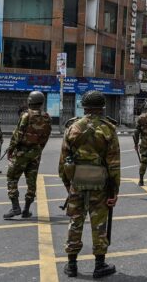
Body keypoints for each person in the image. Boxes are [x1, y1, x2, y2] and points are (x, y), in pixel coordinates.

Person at [59, 90, 121, 278]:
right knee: (99, 223)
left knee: (75, 222)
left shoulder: (72, 127)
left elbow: (63, 162)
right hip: (100, 184)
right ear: (102, 107)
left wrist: (68, 184)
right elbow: (114, 165)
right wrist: (114, 191)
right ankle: (99, 265)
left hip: (77, 182)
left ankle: (71, 265)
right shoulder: (108, 129)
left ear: (84, 106)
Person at [4, 91, 52, 219]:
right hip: (36, 153)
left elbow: (17, 135)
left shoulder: (26, 115)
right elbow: (46, 136)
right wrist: (39, 149)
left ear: (30, 101)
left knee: (12, 178)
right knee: (31, 181)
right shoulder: (47, 117)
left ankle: (15, 207)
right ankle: (26, 210)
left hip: (21, 153)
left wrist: (10, 149)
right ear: (42, 102)